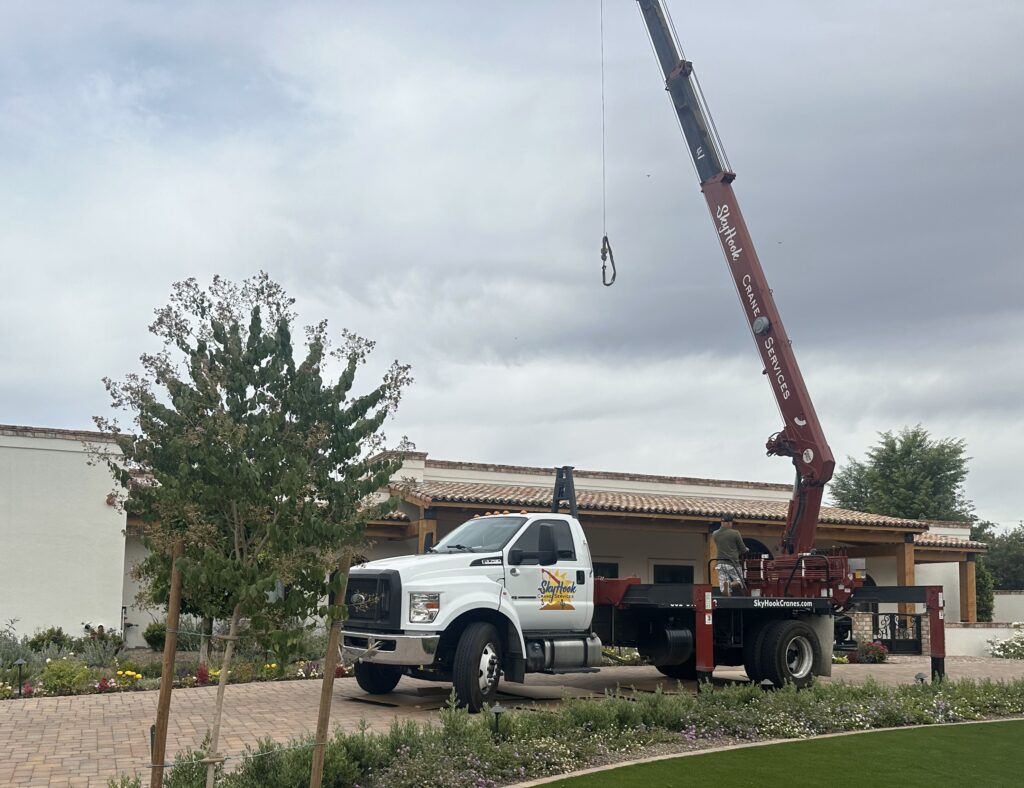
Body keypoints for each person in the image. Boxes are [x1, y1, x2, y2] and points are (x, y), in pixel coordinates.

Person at [712, 515, 746, 596]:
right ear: (729, 523)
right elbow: (743, 549)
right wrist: (744, 550)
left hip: (720, 563)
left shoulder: (715, 534)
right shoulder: (735, 533)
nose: (732, 524)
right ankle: (729, 584)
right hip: (732, 563)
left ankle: (727, 597)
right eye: (731, 523)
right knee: (739, 581)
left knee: (725, 589)